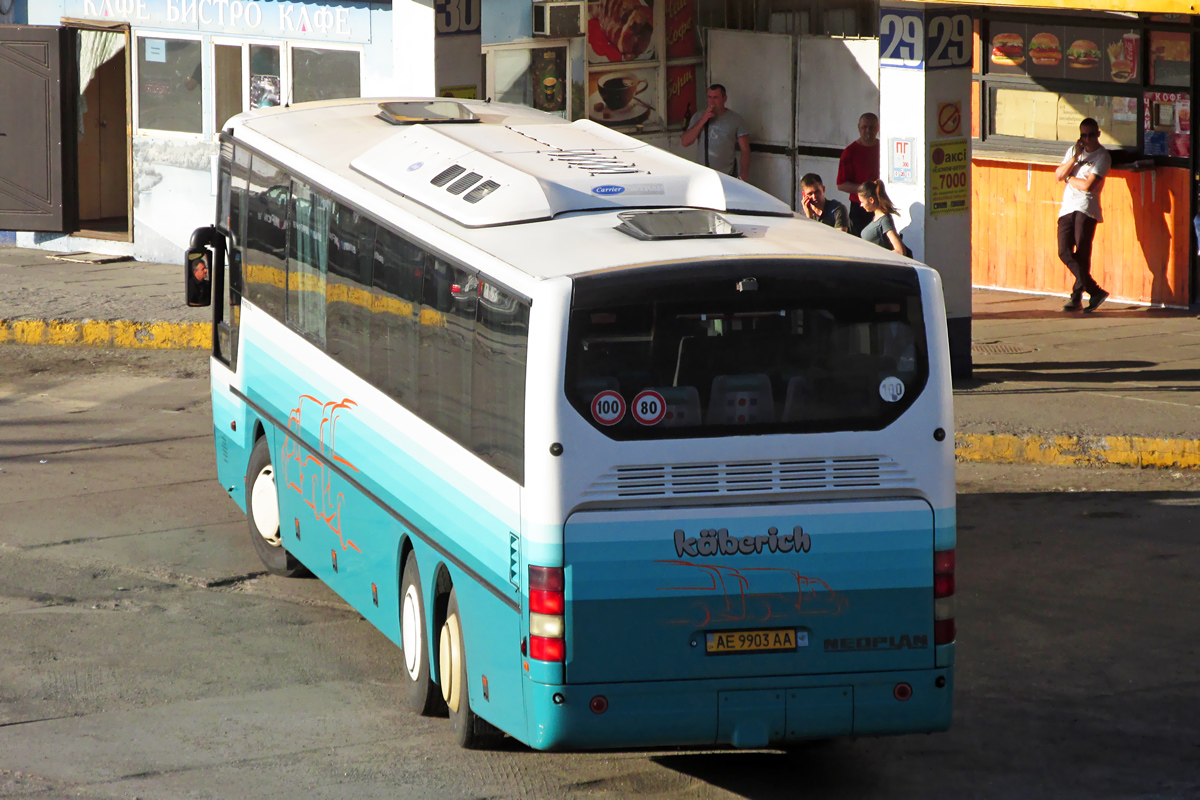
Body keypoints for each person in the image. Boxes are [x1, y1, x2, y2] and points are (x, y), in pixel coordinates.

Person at [1055, 117, 1110, 312]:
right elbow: (1057, 175)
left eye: (1091, 135)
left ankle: (1077, 295)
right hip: (1068, 206)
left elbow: (1088, 186)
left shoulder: (1102, 156)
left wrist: (1070, 178)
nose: (1087, 139)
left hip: (1087, 208)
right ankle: (1094, 291)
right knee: (1064, 251)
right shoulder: (1073, 151)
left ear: (1098, 134)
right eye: (1083, 135)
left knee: (1083, 252)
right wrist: (1073, 159)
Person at [681, 84, 751, 180]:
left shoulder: (736, 119)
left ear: (724, 99)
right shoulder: (698, 116)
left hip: (727, 176)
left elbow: (745, 150)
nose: (712, 101)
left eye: (715, 97)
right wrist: (703, 120)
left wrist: (743, 173)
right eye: (709, 97)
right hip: (703, 175)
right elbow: (685, 142)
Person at [837, 113, 880, 236]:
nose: (868, 131)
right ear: (858, 128)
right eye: (864, 127)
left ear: (878, 128)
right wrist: (867, 190)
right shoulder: (850, 152)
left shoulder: (883, 149)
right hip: (860, 207)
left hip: (880, 205)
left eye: (871, 127)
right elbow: (841, 184)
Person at [858, 180, 905, 256]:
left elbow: (900, 251)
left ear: (871, 200)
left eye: (862, 202)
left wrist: (876, 256)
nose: (861, 205)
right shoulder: (876, 218)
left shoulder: (884, 220)